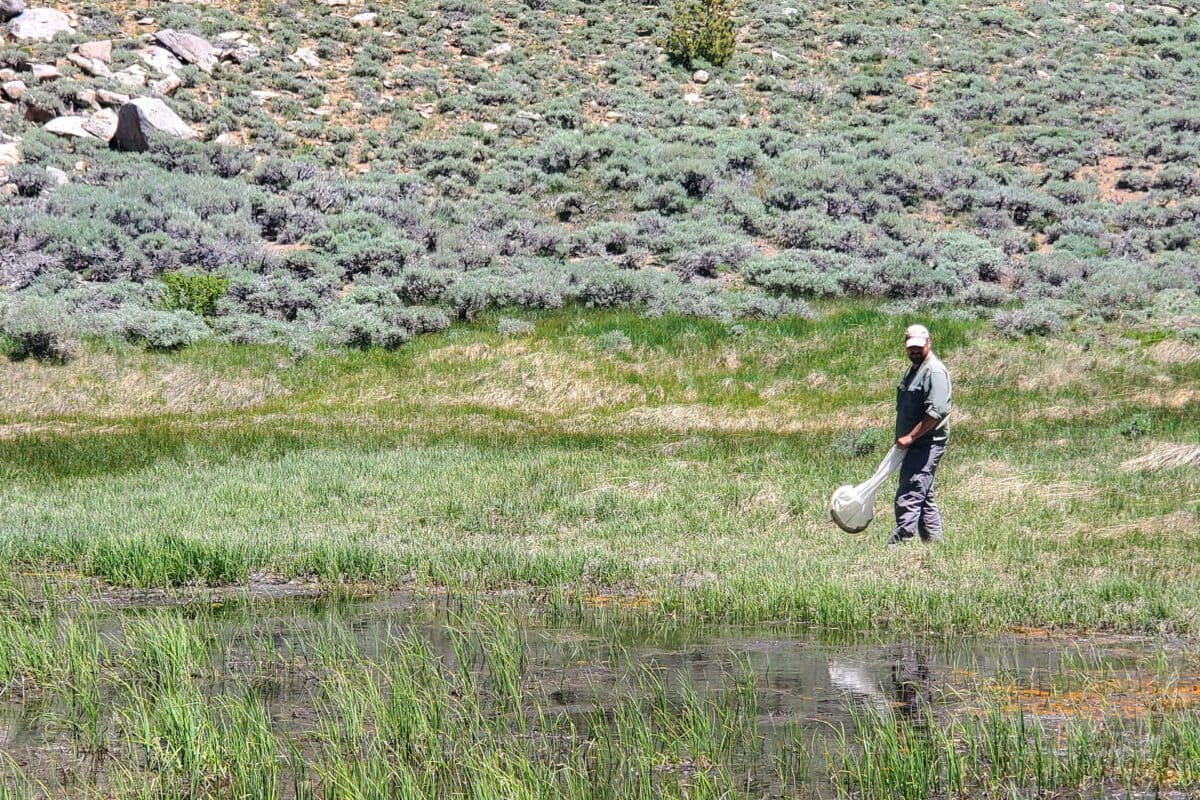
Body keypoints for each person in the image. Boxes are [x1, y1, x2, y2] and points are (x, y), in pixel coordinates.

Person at [888, 324, 952, 545]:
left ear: (928, 343)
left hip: (925, 444)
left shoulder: (934, 371)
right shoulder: (916, 368)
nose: (914, 351)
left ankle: (899, 545)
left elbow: (936, 412)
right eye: (910, 347)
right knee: (924, 495)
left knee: (910, 494)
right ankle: (934, 544)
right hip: (914, 444)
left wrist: (911, 437)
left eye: (918, 347)